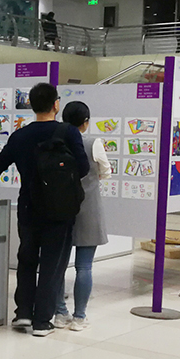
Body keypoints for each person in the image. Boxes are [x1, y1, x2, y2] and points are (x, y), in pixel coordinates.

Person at [0, 83, 88, 337]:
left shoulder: (20, 136)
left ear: (31, 104)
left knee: (27, 260)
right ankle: (42, 322)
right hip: (60, 210)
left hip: (28, 207)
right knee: (52, 265)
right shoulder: (68, 132)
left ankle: (23, 313)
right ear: (56, 104)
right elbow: (83, 168)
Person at [53, 101, 110, 331]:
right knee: (84, 266)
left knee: (58, 265)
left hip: (59, 207)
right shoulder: (93, 142)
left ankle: (59, 313)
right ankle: (79, 317)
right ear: (85, 122)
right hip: (89, 207)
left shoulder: (55, 141)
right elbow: (105, 171)